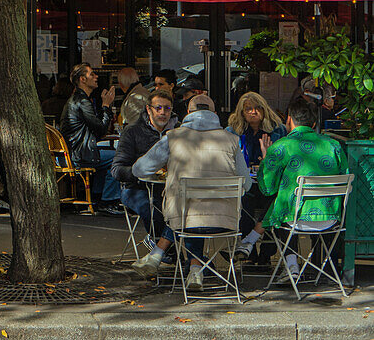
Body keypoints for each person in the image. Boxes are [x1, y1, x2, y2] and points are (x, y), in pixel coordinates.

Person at [131, 94, 251, 289]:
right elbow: (246, 184)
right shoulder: (231, 140)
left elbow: (140, 169)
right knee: (196, 212)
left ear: (188, 113)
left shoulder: (173, 137)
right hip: (226, 222)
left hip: (184, 221)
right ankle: (193, 270)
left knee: (188, 214)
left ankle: (159, 256)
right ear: (213, 113)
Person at [258, 97, 348, 282]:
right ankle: (322, 267)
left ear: (288, 119)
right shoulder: (333, 145)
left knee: (280, 209)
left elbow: (267, 188)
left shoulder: (281, 146)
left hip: (294, 221)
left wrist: (266, 159)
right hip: (331, 220)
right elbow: (344, 178)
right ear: (314, 123)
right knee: (284, 207)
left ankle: (291, 266)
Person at [224, 91, 287, 262]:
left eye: (257, 108)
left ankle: (265, 253)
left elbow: (284, 160)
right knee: (244, 206)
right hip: (245, 183)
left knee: (276, 201)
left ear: (264, 109)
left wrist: (269, 159)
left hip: (270, 183)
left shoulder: (278, 130)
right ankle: (250, 254)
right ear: (241, 112)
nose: (253, 112)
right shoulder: (232, 132)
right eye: (248, 109)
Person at [111, 89, 178, 247]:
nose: (163, 112)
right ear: (148, 109)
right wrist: (139, 172)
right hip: (137, 188)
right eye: (158, 108)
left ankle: (189, 257)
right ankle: (162, 246)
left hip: (172, 188)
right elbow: (116, 169)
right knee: (154, 209)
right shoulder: (133, 131)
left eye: (167, 108)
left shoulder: (179, 132)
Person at [60, 62, 121, 214]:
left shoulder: (77, 99)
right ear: (82, 79)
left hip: (76, 151)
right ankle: (108, 201)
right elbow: (100, 128)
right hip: (80, 154)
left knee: (110, 157)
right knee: (119, 157)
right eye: (92, 74)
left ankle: (98, 196)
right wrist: (106, 105)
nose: (96, 77)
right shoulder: (82, 101)